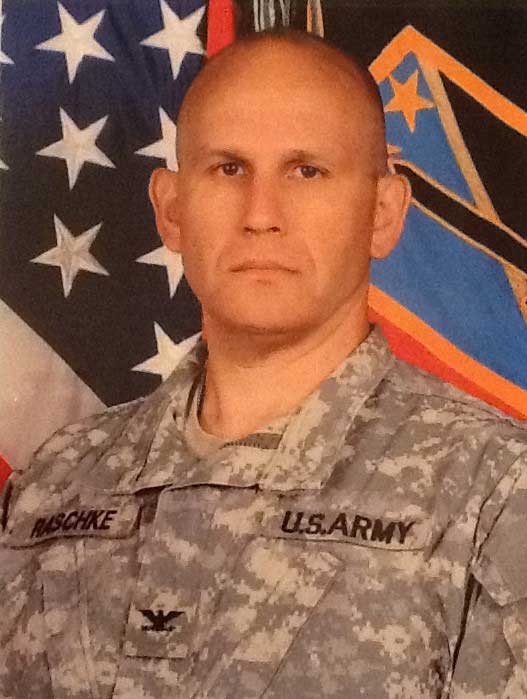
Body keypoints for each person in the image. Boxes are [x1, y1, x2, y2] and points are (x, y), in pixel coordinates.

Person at [1, 28, 526, 699]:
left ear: (383, 214)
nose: (261, 214)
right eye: (228, 168)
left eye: (307, 170)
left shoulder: (495, 492)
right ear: (171, 210)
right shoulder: (54, 482)